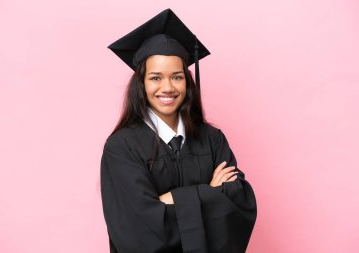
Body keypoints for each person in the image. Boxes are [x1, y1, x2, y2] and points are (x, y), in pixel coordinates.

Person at [101, 9, 257, 253]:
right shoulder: (122, 147)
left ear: (187, 81)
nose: (167, 87)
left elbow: (238, 204)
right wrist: (209, 193)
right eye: (155, 78)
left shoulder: (212, 140)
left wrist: (168, 201)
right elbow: (137, 229)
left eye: (177, 77)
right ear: (140, 84)